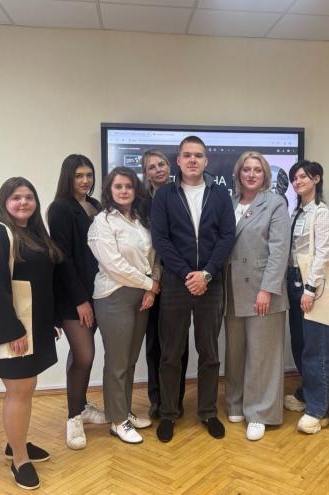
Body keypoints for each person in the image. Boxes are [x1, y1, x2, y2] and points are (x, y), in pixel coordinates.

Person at [0, 177, 63, 490]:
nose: (24, 202)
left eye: (29, 197)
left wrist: (50, 321)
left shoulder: (33, 233)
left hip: (34, 326)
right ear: (4, 202)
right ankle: (20, 460)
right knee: (19, 390)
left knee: (25, 388)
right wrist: (12, 331)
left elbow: (42, 282)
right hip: (15, 329)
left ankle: (16, 443)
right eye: (16, 198)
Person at [150, 136, 235, 443]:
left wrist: (207, 273)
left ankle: (208, 412)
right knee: (171, 352)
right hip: (176, 282)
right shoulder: (165, 195)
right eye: (187, 155)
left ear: (206, 160)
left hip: (211, 283)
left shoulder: (220, 194)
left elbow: (227, 236)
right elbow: (160, 239)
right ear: (179, 160)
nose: (193, 160)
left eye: (198, 155)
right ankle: (169, 413)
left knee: (209, 352)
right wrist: (188, 274)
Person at [87, 167, 159, 444]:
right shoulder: (103, 222)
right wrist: (149, 283)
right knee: (117, 362)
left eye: (129, 186)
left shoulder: (140, 220)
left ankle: (124, 411)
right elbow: (114, 265)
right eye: (118, 186)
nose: (124, 191)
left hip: (142, 294)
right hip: (114, 296)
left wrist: (150, 287)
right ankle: (117, 421)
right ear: (109, 190)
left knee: (129, 361)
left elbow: (152, 256)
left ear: (136, 190)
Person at [224, 151, 290, 441]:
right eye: (246, 169)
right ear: (238, 173)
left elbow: (279, 250)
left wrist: (267, 289)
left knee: (262, 354)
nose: (251, 174)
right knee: (235, 350)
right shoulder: (229, 202)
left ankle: (260, 412)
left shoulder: (275, 203)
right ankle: (236, 402)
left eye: (257, 170)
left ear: (266, 175)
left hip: (263, 290)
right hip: (231, 288)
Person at [47, 154, 107, 451]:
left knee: (83, 356)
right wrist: (81, 300)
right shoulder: (60, 208)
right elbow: (64, 258)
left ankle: (81, 406)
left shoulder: (95, 205)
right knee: (84, 356)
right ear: (68, 177)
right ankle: (73, 418)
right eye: (79, 175)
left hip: (99, 292)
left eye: (89, 175)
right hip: (75, 296)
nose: (85, 180)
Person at [284, 160, 329, 434]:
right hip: (293, 280)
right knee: (300, 344)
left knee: (316, 347)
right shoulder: (297, 211)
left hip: (312, 286)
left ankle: (319, 410)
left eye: (303, 176)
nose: (298, 181)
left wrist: (310, 288)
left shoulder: (321, 213)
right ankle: (307, 393)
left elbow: (324, 253)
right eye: (295, 177)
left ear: (316, 179)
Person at [141, 149, 189, 420]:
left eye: (161, 164)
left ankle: (176, 400)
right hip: (148, 281)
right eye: (152, 167)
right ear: (145, 173)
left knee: (177, 343)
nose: (158, 169)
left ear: (170, 166)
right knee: (154, 344)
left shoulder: (181, 194)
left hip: (176, 277)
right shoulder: (141, 202)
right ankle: (157, 399)